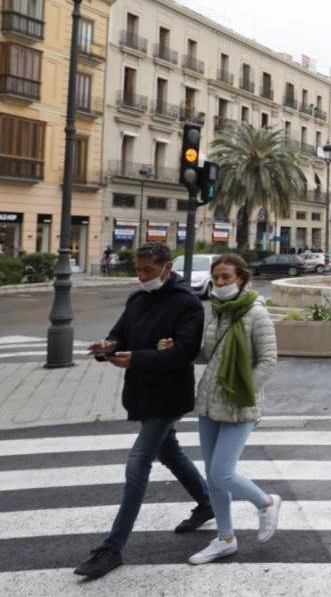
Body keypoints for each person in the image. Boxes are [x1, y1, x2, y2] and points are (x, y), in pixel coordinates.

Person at [74, 243, 213, 580]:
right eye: (138, 270)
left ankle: (113, 547)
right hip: (140, 391)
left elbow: (182, 354)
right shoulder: (137, 299)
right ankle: (207, 503)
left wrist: (135, 358)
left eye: (148, 270)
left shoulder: (188, 304)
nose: (142, 276)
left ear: (166, 267)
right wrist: (108, 346)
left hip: (168, 396)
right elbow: (121, 332)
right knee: (171, 453)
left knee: (138, 465)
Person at [160, 253, 280, 565]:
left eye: (226, 277)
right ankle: (225, 538)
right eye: (217, 278)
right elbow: (205, 355)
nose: (220, 283)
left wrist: (245, 390)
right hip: (211, 400)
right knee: (213, 478)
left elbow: (268, 360)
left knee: (222, 471)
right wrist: (176, 349)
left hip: (240, 403)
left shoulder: (256, 312)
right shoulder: (215, 311)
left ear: (242, 278)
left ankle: (265, 502)